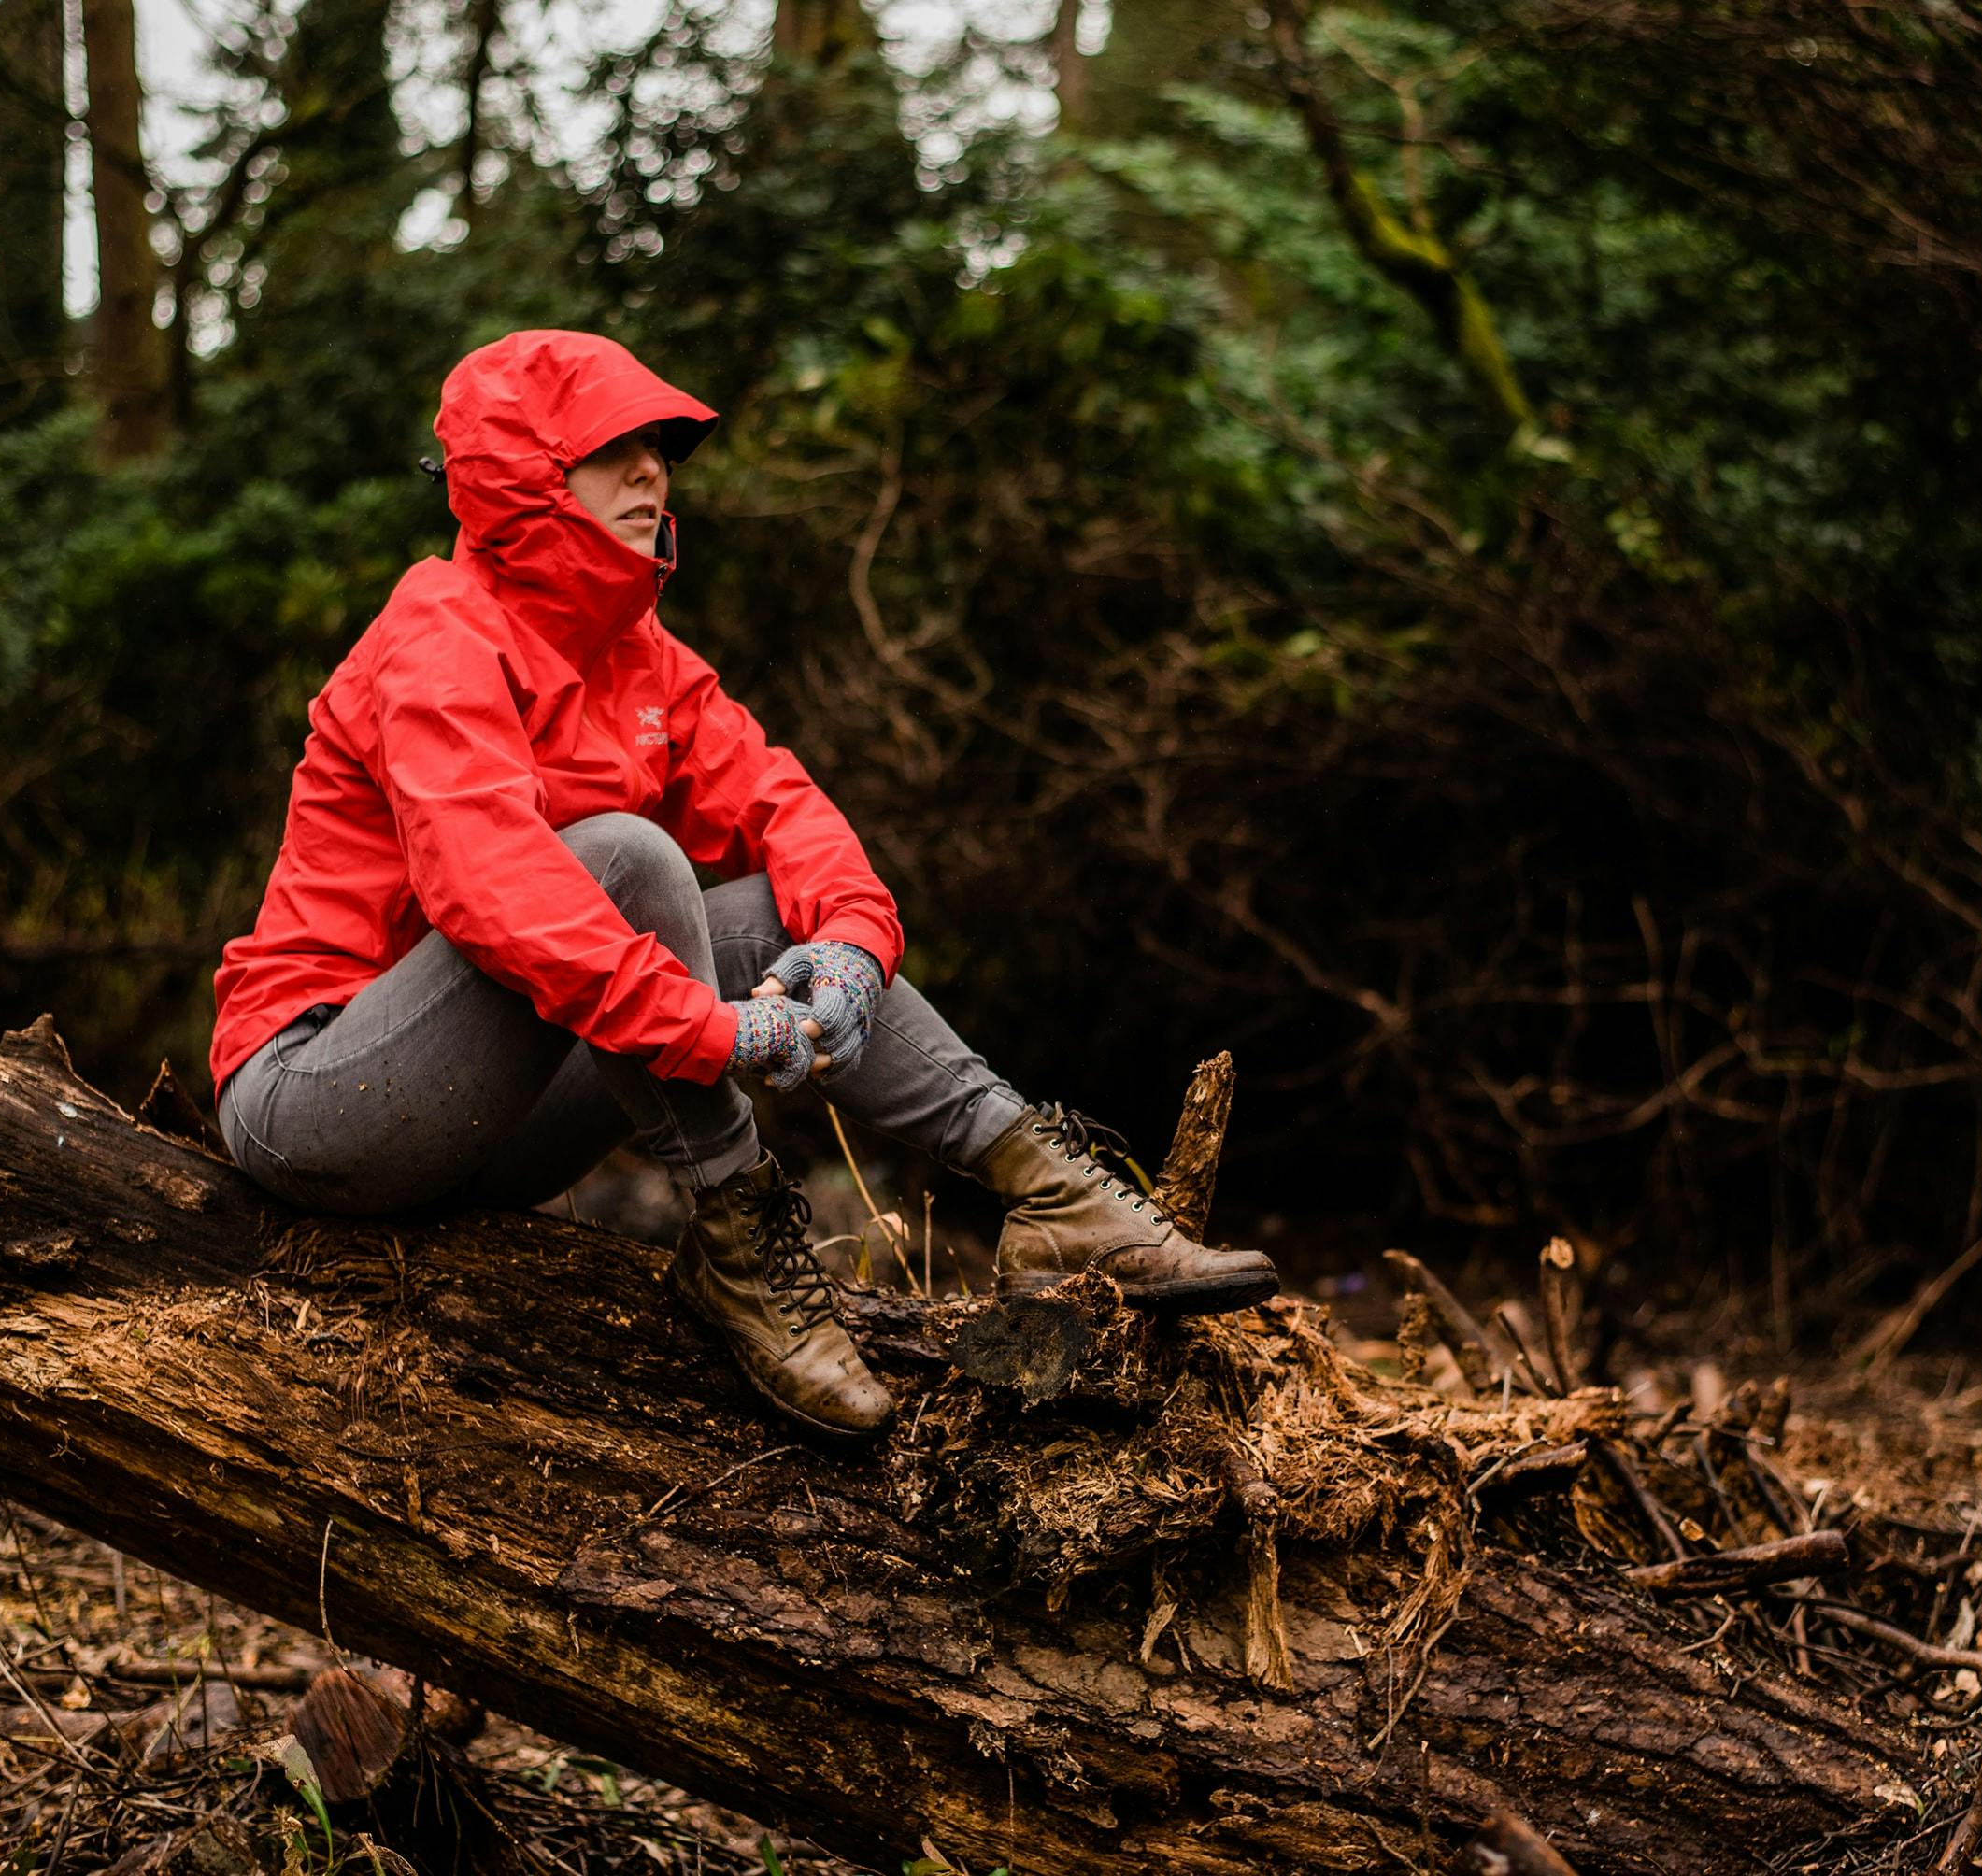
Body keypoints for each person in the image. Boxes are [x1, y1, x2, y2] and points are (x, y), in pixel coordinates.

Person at [208, 329, 1277, 1442]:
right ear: (526, 472)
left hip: (486, 1131)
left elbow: (780, 805)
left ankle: (1049, 1194)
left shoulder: (643, 657)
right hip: (317, 1099)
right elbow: (494, 887)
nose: (652, 473)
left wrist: (855, 950)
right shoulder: (435, 635)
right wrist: (716, 1035)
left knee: (775, 909)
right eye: (614, 449)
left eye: (660, 449)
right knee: (623, 856)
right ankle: (738, 1234)